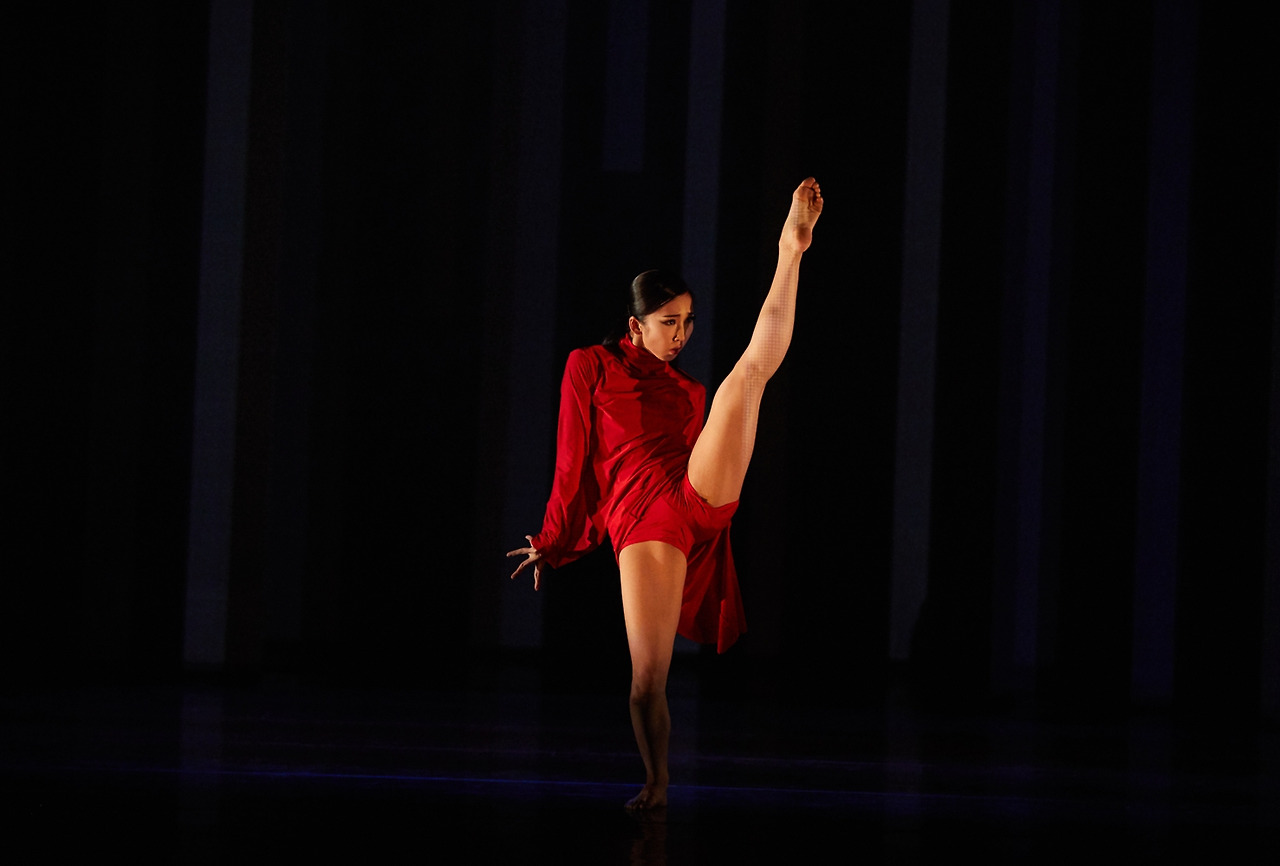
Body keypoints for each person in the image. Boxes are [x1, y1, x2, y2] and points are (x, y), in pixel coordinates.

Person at [508, 177, 823, 810]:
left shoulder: (690, 392)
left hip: (693, 494)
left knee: (747, 377)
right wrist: (554, 537)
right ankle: (657, 783)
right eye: (668, 323)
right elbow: (572, 461)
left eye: (687, 323)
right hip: (643, 521)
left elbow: (701, 440)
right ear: (635, 325)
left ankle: (790, 252)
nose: (681, 336)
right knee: (647, 680)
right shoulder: (589, 366)